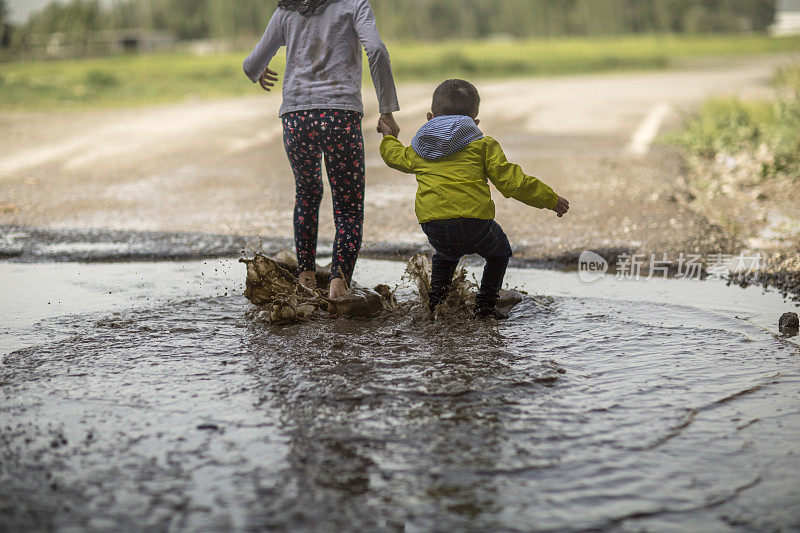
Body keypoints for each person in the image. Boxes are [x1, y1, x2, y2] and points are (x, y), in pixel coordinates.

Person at [243, 0, 400, 300]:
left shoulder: (287, 10)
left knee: (307, 194)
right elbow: (377, 50)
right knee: (348, 210)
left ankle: (305, 281)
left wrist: (258, 72)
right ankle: (339, 288)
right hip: (340, 115)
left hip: (296, 117)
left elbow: (251, 64)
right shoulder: (354, 5)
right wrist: (387, 110)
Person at [378, 79, 570, 318]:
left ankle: (433, 309)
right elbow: (513, 182)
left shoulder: (420, 149)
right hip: (475, 224)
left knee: (446, 256)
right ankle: (485, 308)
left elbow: (394, 156)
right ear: (475, 122)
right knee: (499, 253)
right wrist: (550, 199)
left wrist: (388, 136)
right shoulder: (483, 145)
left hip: (434, 224)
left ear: (430, 118)